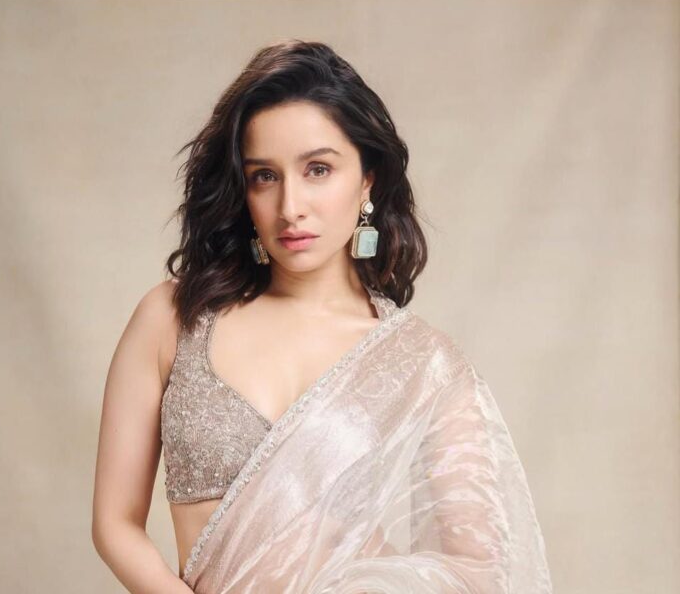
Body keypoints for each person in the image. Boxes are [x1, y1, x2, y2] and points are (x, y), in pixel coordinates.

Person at [92, 39, 553, 593]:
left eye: (318, 169)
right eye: (265, 176)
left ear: (367, 179)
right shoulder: (173, 318)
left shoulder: (421, 362)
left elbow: (480, 568)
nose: (291, 207)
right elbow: (115, 525)